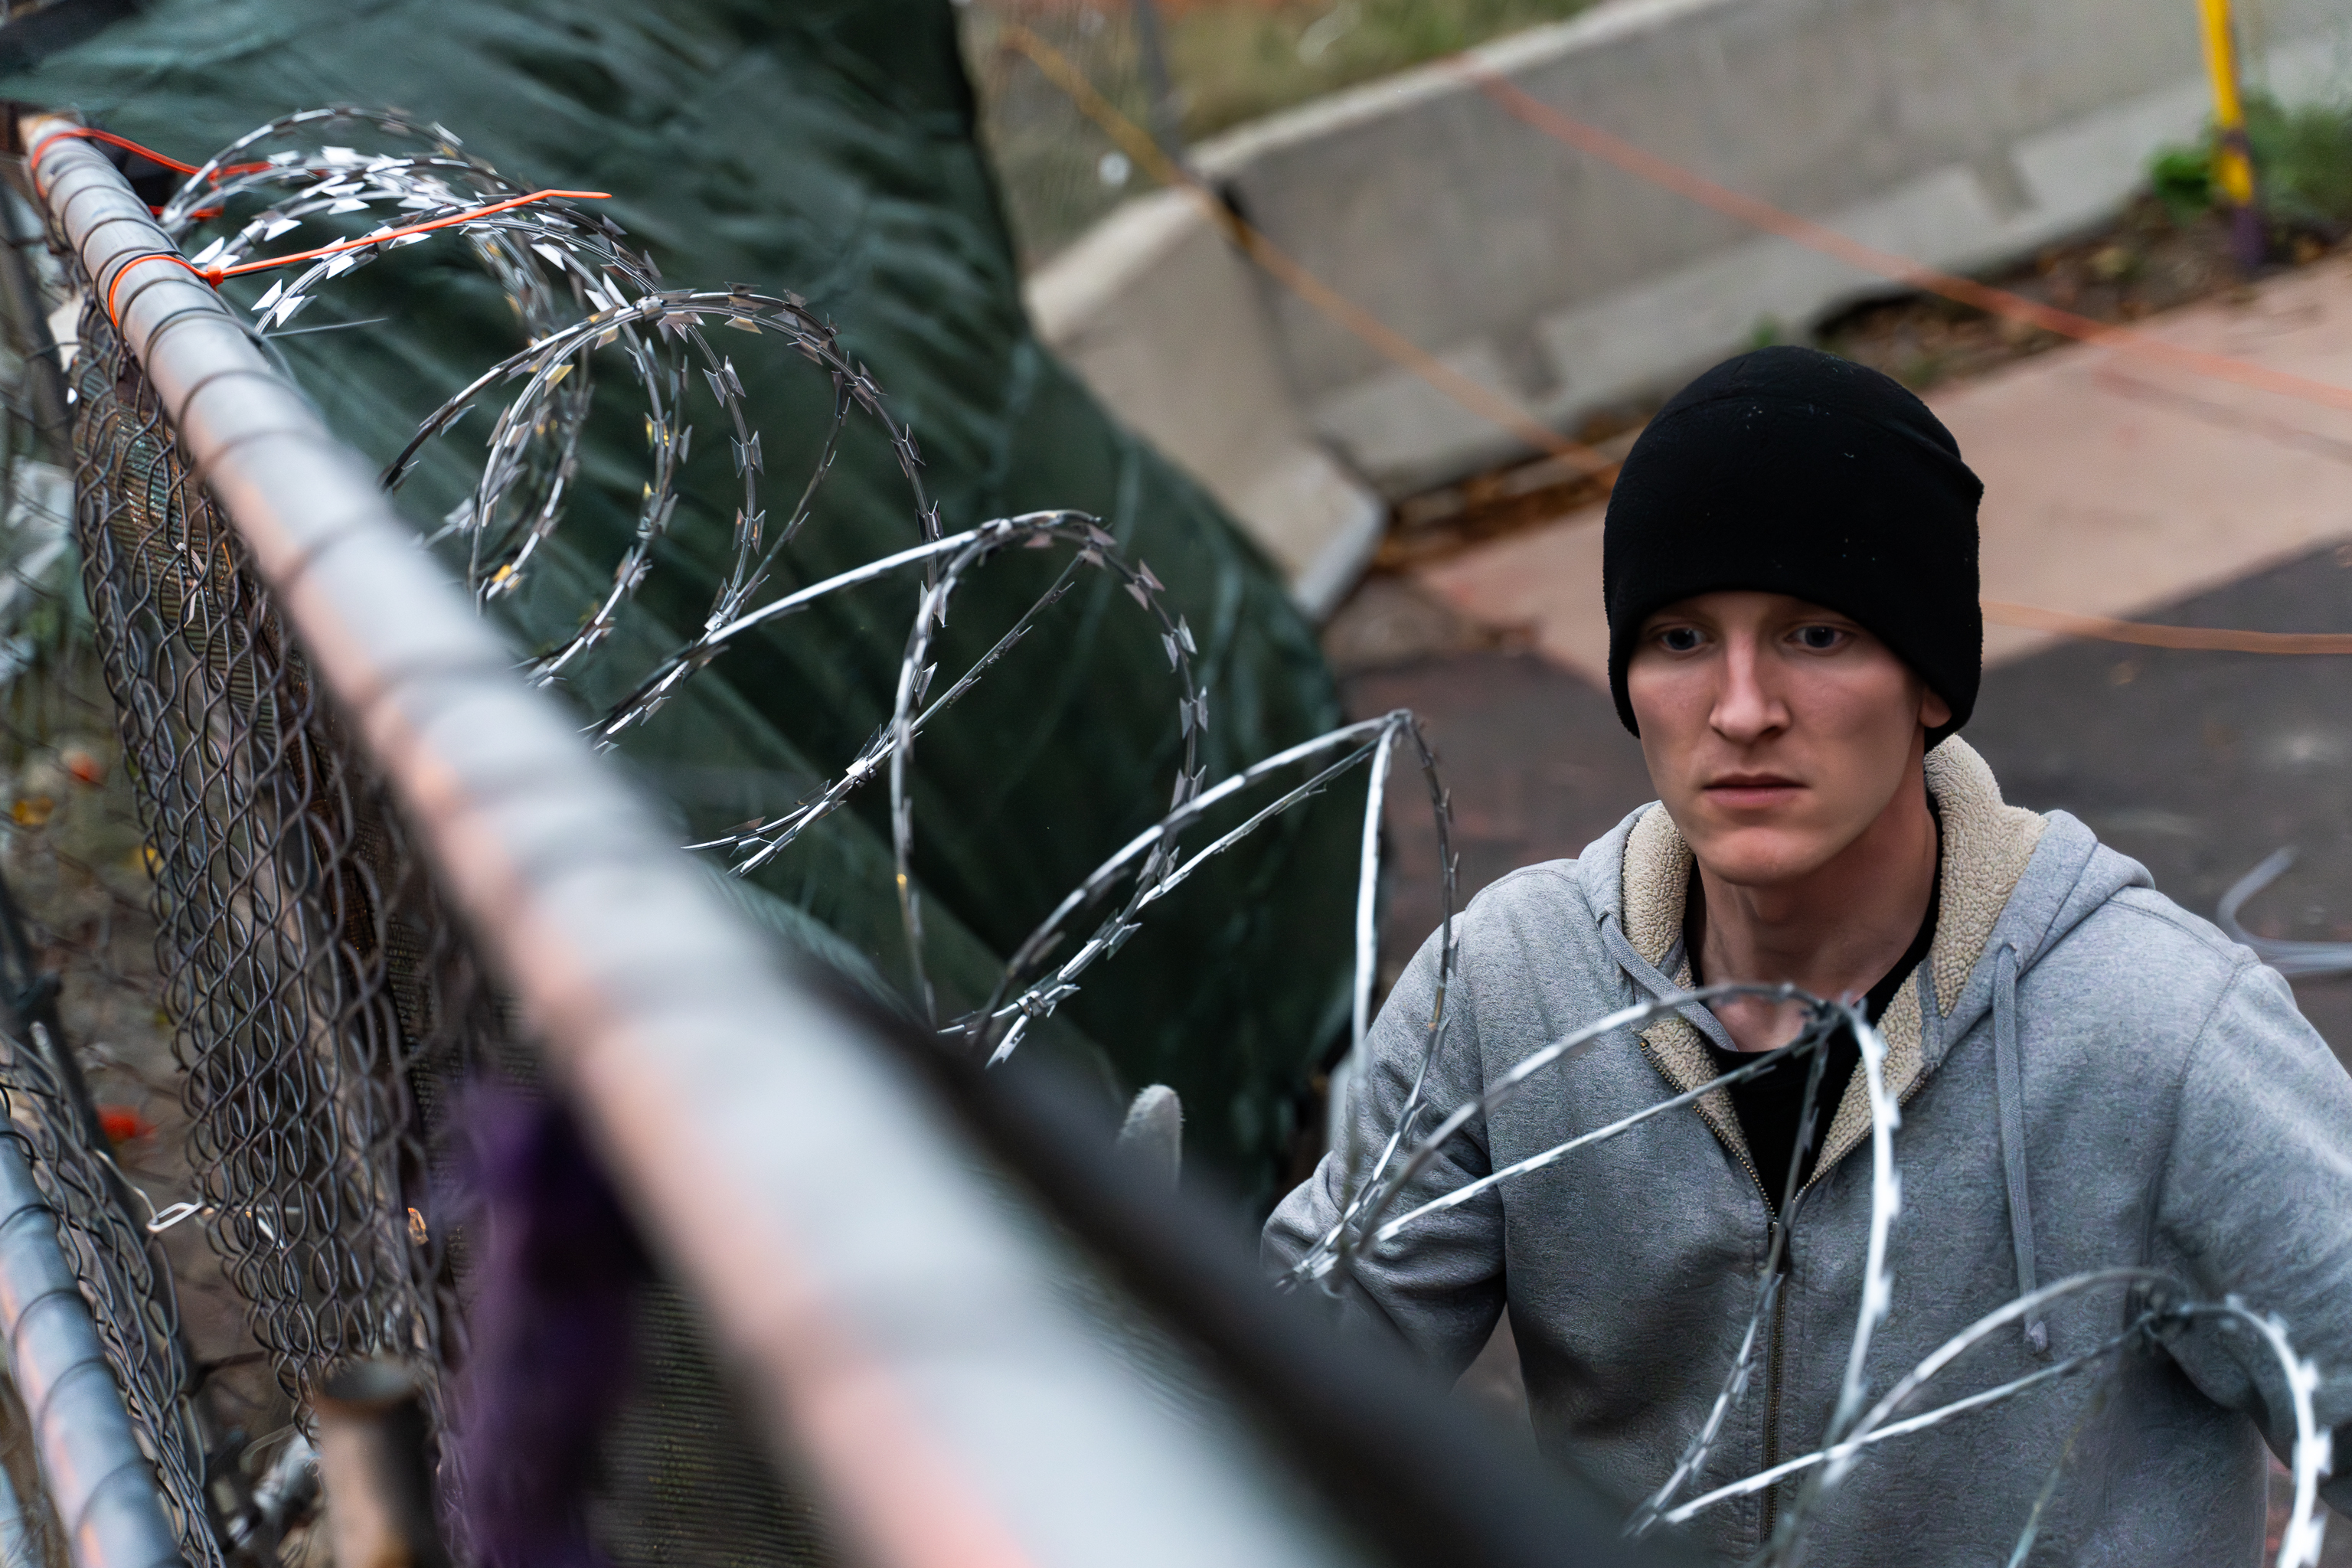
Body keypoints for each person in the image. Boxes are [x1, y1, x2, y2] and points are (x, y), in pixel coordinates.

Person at [1264, 347, 2352, 1565]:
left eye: (1816, 635)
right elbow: (1287, 1377)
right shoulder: (1510, 991)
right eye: (1680, 639)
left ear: (1931, 682)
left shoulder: (2157, 1033)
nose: (1740, 709)